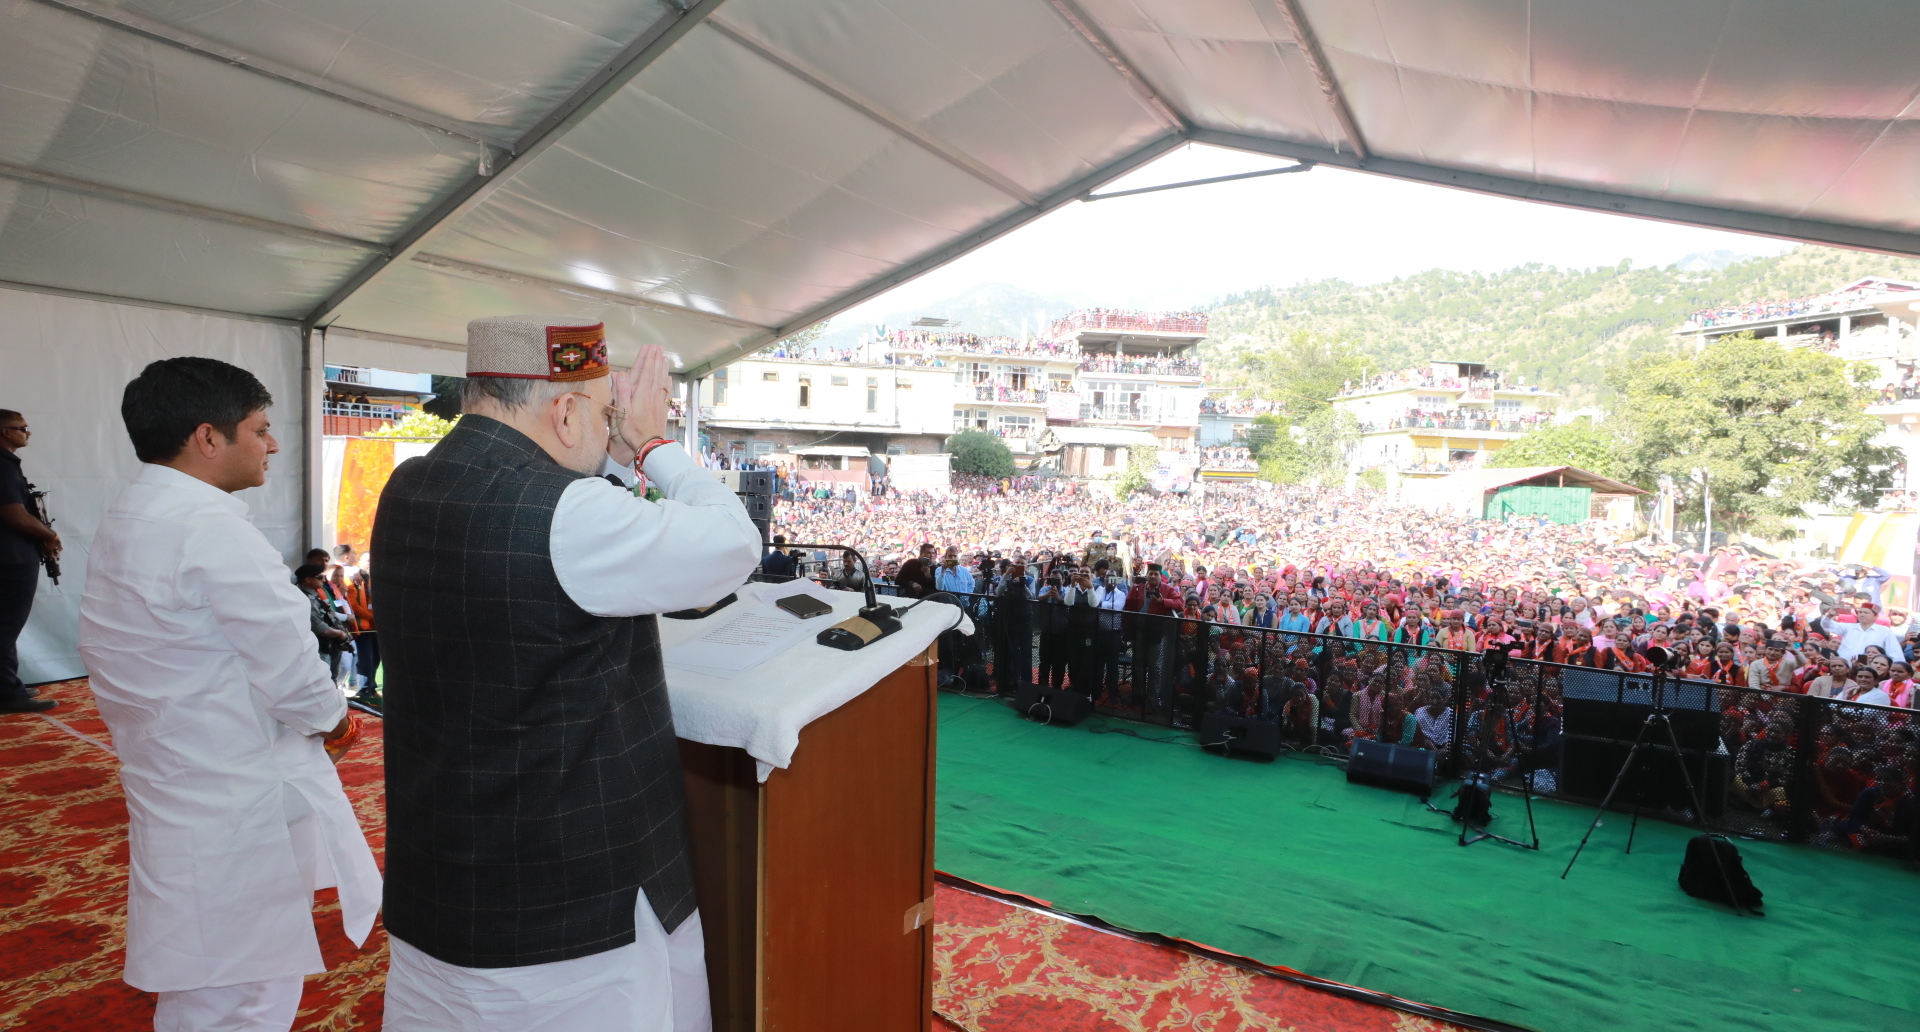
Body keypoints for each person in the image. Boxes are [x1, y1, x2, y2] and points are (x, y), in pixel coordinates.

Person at [373, 317, 761, 1032]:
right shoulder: (566, 513)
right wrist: (652, 444)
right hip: (570, 902)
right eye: (603, 414)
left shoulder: (408, 486)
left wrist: (607, 445)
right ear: (562, 411)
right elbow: (735, 543)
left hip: (447, 870)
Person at [77, 358, 378, 1032]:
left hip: (176, 766)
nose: (272, 445)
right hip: (237, 782)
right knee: (246, 986)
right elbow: (288, 657)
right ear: (208, 437)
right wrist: (334, 724)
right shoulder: (209, 524)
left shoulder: (135, 509)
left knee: (208, 969)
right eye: (262, 429)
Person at [0, 408, 60, 713]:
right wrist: (48, 535)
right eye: (21, 427)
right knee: (7, 625)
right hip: (11, 558)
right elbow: (14, 513)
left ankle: (7, 684)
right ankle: (7, 695)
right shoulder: (3, 465)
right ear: (5, 432)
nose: (27, 432)